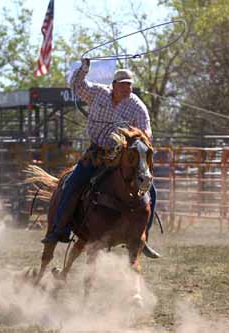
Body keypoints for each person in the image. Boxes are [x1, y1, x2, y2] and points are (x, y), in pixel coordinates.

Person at [42, 59, 160, 258]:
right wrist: (84, 69)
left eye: (129, 85)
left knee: (150, 191)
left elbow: (146, 129)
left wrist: (138, 136)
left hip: (122, 156)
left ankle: (142, 236)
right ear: (113, 85)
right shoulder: (98, 93)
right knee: (72, 184)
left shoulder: (136, 106)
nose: (126, 89)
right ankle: (59, 229)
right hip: (96, 153)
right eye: (122, 85)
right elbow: (78, 86)